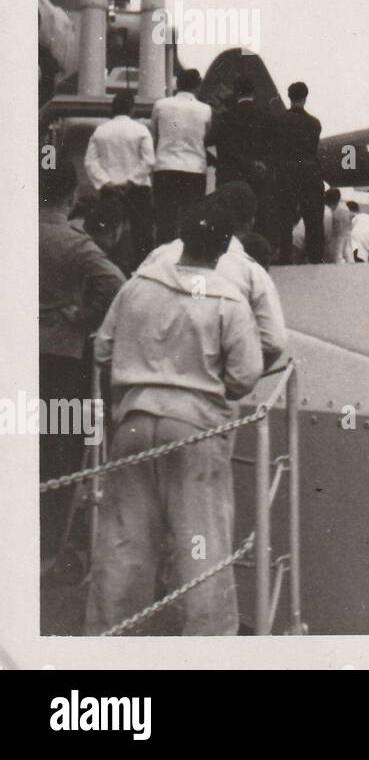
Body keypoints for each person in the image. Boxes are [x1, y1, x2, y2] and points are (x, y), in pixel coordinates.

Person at [85, 199, 263, 636]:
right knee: (202, 546)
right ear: (224, 248)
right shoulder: (229, 299)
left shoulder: (137, 286)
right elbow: (244, 376)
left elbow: (103, 348)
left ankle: (109, 644)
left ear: (181, 235)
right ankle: (206, 649)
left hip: (133, 423)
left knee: (124, 545)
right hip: (194, 432)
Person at [38, 162, 124, 577]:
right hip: (63, 361)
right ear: (71, 196)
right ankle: (48, 553)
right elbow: (115, 282)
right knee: (60, 454)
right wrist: (84, 317)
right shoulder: (74, 242)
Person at [138, 182, 287, 369]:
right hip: (207, 382)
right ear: (250, 223)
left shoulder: (159, 255)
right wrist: (231, 378)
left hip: (147, 375)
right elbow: (274, 342)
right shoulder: (251, 272)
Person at [83, 92, 155, 268]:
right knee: (142, 232)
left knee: (108, 231)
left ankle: (110, 266)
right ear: (132, 108)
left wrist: (106, 182)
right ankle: (141, 268)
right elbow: (149, 160)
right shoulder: (140, 129)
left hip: (109, 188)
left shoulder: (101, 130)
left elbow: (90, 161)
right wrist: (131, 180)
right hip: (137, 189)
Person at [212, 76, 278, 243]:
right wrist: (262, 165)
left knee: (230, 218)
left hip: (232, 176)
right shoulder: (266, 116)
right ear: (253, 92)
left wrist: (246, 163)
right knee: (259, 217)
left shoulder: (227, 117)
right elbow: (274, 146)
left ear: (236, 93)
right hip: (259, 178)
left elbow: (223, 146)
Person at [150, 68, 212, 244]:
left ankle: (164, 254)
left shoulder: (160, 105)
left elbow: (155, 135)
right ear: (198, 86)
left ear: (177, 84)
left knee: (164, 218)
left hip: (165, 166)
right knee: (192, 217)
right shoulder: (205, 110)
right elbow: (205, 137)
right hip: (194, 168)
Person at [275, 81, 323, 264]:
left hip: (286, 174)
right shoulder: (315, 123)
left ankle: (284, 259)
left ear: (289, 97)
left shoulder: (279, 121)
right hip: (310, 173)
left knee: (285, 219)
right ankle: (316, 259)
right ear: (306, 96)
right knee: (313, 220)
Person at [322, 187, 352, 264]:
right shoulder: (342, 209)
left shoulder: (341, 212)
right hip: (338, 244)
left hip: (337, 246)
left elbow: (341, 237)